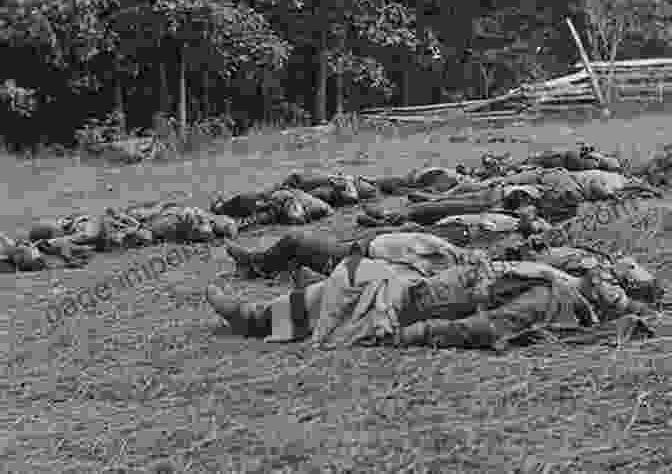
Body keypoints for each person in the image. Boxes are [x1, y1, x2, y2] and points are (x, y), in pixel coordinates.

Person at [208, 230, 663, 350]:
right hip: (438, 282)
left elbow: (491, 326)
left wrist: (421, 335)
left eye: (620, 280)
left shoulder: (558, 298)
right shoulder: (562, 276)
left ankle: (252, 318)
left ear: (612, 297)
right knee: (377, 265)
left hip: (425, 304)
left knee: (360, 280)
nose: (609, 270)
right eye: (615, 267)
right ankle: (269, 307)